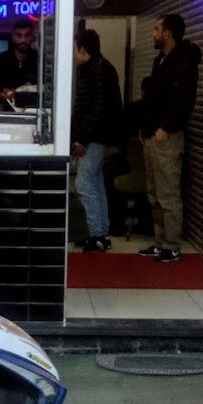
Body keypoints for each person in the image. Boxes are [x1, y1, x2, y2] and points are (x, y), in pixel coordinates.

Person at [136, 13, 201, 263]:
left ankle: (172, 245)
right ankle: (160, 241)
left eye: (156, 29)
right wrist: (145, 128)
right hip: (153, 133)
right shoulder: (161, 60)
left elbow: (184, 100)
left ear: (168, 33)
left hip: (167, 135)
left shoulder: (183, 61)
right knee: (154, 193)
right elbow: (153, 99)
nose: (153, 34)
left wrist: (166, 127)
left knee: (168, 193)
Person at [71, 29, 125, 253]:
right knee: (96, 183)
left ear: (83, 49)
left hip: (95, 136)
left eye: (75, 50)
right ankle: (102, 232)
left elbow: (95, 109)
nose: (74, 55)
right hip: (101, 135)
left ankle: (96, 235)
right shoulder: (100, 67)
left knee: (83, 184)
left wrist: (81, 138)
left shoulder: (96, 71)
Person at [0, 19, 40, 108]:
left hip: (34, 112)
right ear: (13, 36)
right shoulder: (1, 59)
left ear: (32, 37)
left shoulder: (39, 59)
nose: (23, 40)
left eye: (27, 35)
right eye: (19, 35)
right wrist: (6, 96)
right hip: (10, 112)